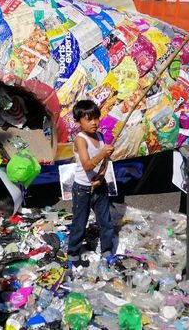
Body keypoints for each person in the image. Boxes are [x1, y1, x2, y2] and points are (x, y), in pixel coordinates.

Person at [67, 100, 115, 267]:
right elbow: (87, 165)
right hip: (82, 189)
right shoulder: (81, 139)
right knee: (80, 223)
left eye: (96, 118)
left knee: (106, 222)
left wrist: (101, 178)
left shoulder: (100, 136)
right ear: (78, 122)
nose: (94, 123)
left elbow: (105, 162)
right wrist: (103, 152)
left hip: (99, 186)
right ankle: (72, 254)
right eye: (89, 119)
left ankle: (107, 251)